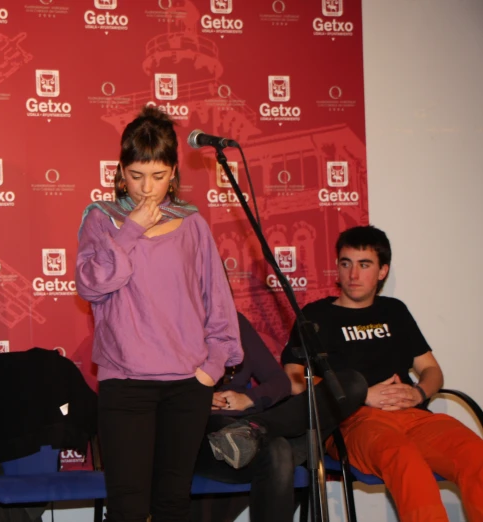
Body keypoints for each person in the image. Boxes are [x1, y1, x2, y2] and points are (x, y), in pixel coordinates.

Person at [75, 106, 243, 522]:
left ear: (173, 173)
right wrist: (131, 228)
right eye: (136, 175)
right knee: (128, 508)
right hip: (127, 386)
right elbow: (90, 284)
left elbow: (216, 300)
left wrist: (210, 369)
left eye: (158, 175)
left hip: (188, 385)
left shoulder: (192, 223)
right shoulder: (102, 218)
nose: (147, 188)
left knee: (172, 504)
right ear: (120, 172)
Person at [281, 225, 483, 522]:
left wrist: (419, 392)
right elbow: (295, 380)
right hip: (352, 421)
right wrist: (360, 395)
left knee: (475, 454)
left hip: (413, 416)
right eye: (345, 263)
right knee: (405, 459)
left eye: (364, 265)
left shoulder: (394, 311)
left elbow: (431, 370)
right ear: (336, 268)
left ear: (382, 271)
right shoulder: (315, 316)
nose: (353, 274)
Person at [195, 313, 367, 522]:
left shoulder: (233, 320)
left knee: (352, 384)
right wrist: (198, 398)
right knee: (279, 450)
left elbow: (280, 382)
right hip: (202, 430)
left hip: (253, 420)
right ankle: (250, 433)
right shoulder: (166, 321)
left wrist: (248, 398)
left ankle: (253, 428)